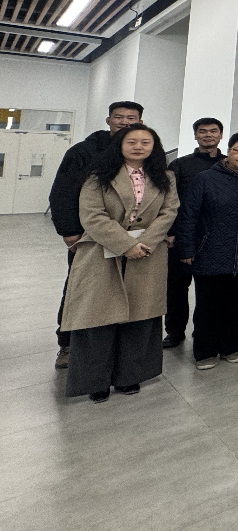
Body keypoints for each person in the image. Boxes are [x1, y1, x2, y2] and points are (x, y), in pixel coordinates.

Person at [61, 123, 177, 402]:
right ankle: (96, 381)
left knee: (140, 317)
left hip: (147, 253)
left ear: (154, 147)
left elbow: (169, 211)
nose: (138, 147)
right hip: (102, 252)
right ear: (120, 145)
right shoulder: (98, 176)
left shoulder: (165, 177)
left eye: (145, 142)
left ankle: (130, 376)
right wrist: (126, 244)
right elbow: (92, 215)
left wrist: (144, 243)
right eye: (131, 142)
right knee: (98, 317)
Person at [48, 99, 144, 369]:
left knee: (127, 289)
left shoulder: (144, 154)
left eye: (131, 118)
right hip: (91, 236)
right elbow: (63, 191)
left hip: (134, 237)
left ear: (140, 122)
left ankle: (116, 344)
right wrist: (69, 231)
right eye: (119, 117)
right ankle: (68, 343)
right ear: (108, 120)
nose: (125, 122)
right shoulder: (84, 151)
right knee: (81, 289)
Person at [173, 131, 238, 370]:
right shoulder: (206, 178)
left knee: (236, 305)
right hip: (210, 252)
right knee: (208, 306)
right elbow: (188, 215)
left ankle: (232, 347)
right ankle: (204, 351)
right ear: (228, 151)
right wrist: (187, 248)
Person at [163, 117, 226, 349]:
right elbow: (168, 201)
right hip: (182, 235)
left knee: (209, 290)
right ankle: (174, 331)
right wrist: (170, 232)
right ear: (195, 135)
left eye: (213, 131)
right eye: (203, 131)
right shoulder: (179, 165)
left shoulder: (227, 164)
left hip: (215, 237)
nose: (208, 135)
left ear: (221, 135)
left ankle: (206, 331)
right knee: (176, 287)